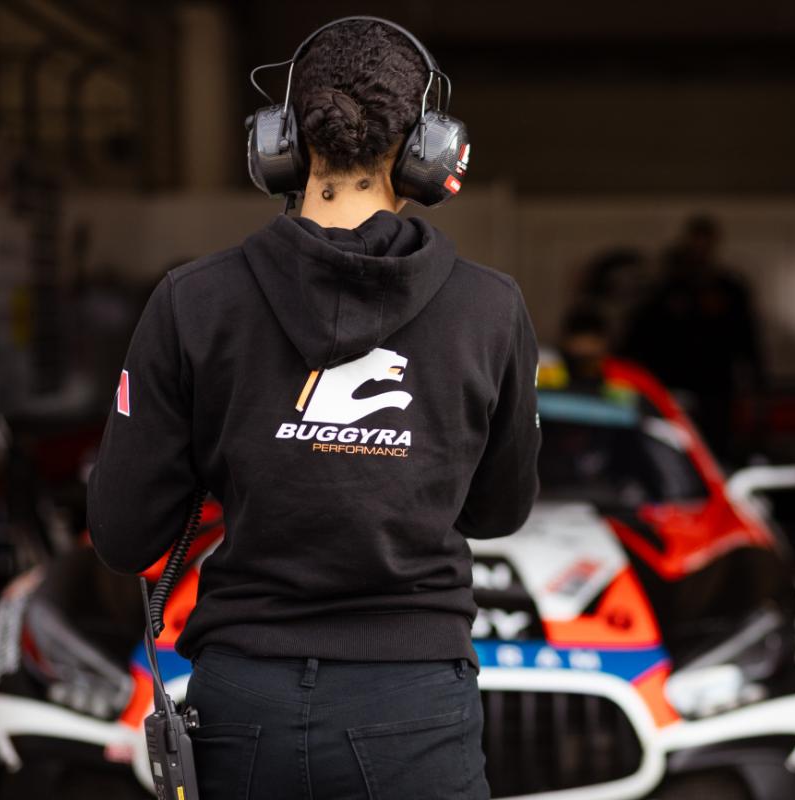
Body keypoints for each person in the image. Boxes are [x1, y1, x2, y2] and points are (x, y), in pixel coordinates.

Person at [86, 17, 540, 800]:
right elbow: (499, 511)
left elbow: (125, 537)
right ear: (427, 148)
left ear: (283, 141)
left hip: (242, 705)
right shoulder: (490, 309)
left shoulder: (194, 301)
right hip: (415, 708)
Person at [619, 215, 764, 465]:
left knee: (714, 450)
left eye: (705, 245)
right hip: (672, 384)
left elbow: (747, 340)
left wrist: (755, 387)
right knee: (671, 446)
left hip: (716, 387)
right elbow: (640, 339)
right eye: (695, 244)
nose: (699, 252)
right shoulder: (665, 291)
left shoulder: (729, 290)